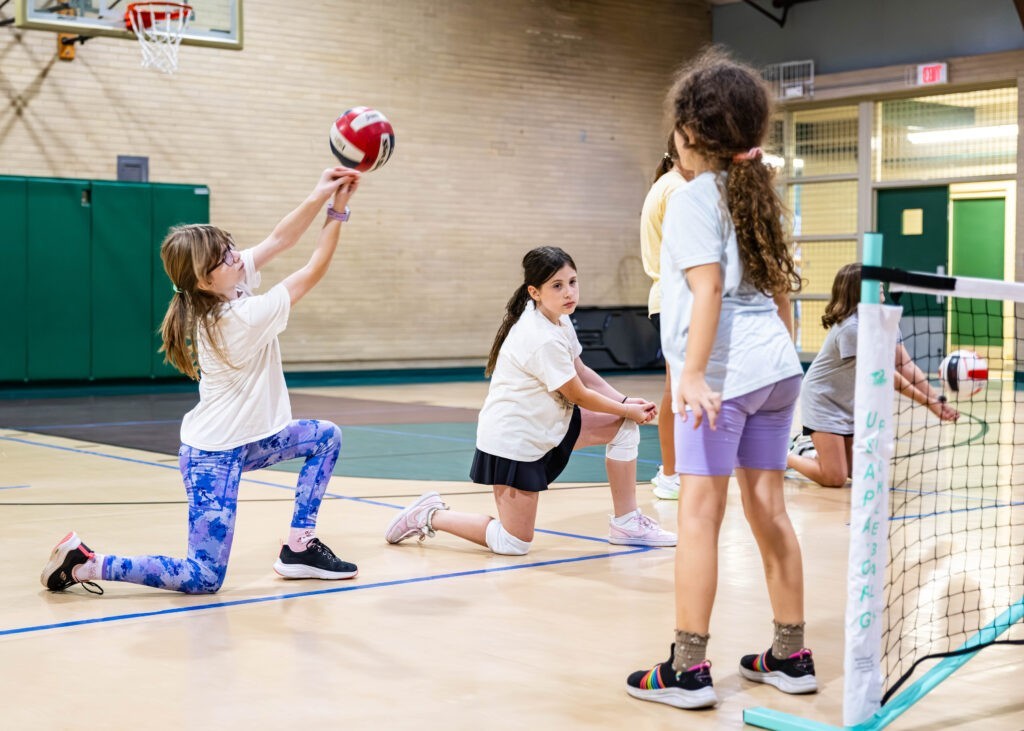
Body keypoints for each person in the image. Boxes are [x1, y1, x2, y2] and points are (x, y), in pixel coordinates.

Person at [41, 167, 363, 595]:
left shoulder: (224, 285)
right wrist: (337, 211)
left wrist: (318, 194)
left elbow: (280, 240)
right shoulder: (237, 318)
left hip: (248, 439)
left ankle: (299, 547)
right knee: (204, 577)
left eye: (230, 248)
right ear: (204, 279)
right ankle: (87, 563)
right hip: (212, 457)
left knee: (325, 437)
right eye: (226, 257)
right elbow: (313, 269)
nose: (236, 256)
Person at [626, 48, 815, 710]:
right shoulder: (762, 195)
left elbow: (706, 292)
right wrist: (783, 362)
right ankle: (791, 654)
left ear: (693, 131)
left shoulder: (691, 197)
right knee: (770, 510)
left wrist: (695, 374)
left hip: (725, 378)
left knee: (700, 517)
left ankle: (687, 669)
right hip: (776, 371)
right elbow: (779, 289)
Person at [384, 246, 676, 555]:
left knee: (623, 426)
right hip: (515, 442)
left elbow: (582, 371)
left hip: (550, 426)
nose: (569, 292)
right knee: (514, 543)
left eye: (573, 282)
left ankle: (627, 523)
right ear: (534, 292)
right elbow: (578, 394)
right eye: (557, 285)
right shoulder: (541, 337)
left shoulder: (559, 321)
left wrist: (627, 402)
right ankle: (432, 515)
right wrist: (625, 407)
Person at [787, 262, 959, 487]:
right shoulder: (851, 329)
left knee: (859, 473)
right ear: (858, 290)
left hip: (848, 402)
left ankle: (806, 450)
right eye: (873, 280)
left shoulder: (885, 321)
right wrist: (929, 404)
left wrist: (937, 399)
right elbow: (886, 375)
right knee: (835, 477)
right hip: (824, 400)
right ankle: (782, 456)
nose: (880, 284)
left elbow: (905, 365)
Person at [641, 134, 692, 500]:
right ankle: (674, 472)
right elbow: (685, 255)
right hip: (676, 300)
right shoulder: (676, 191)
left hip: (670, 300)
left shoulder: (667, 186)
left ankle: (673, 470)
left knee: (677, 389)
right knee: (679, 391)